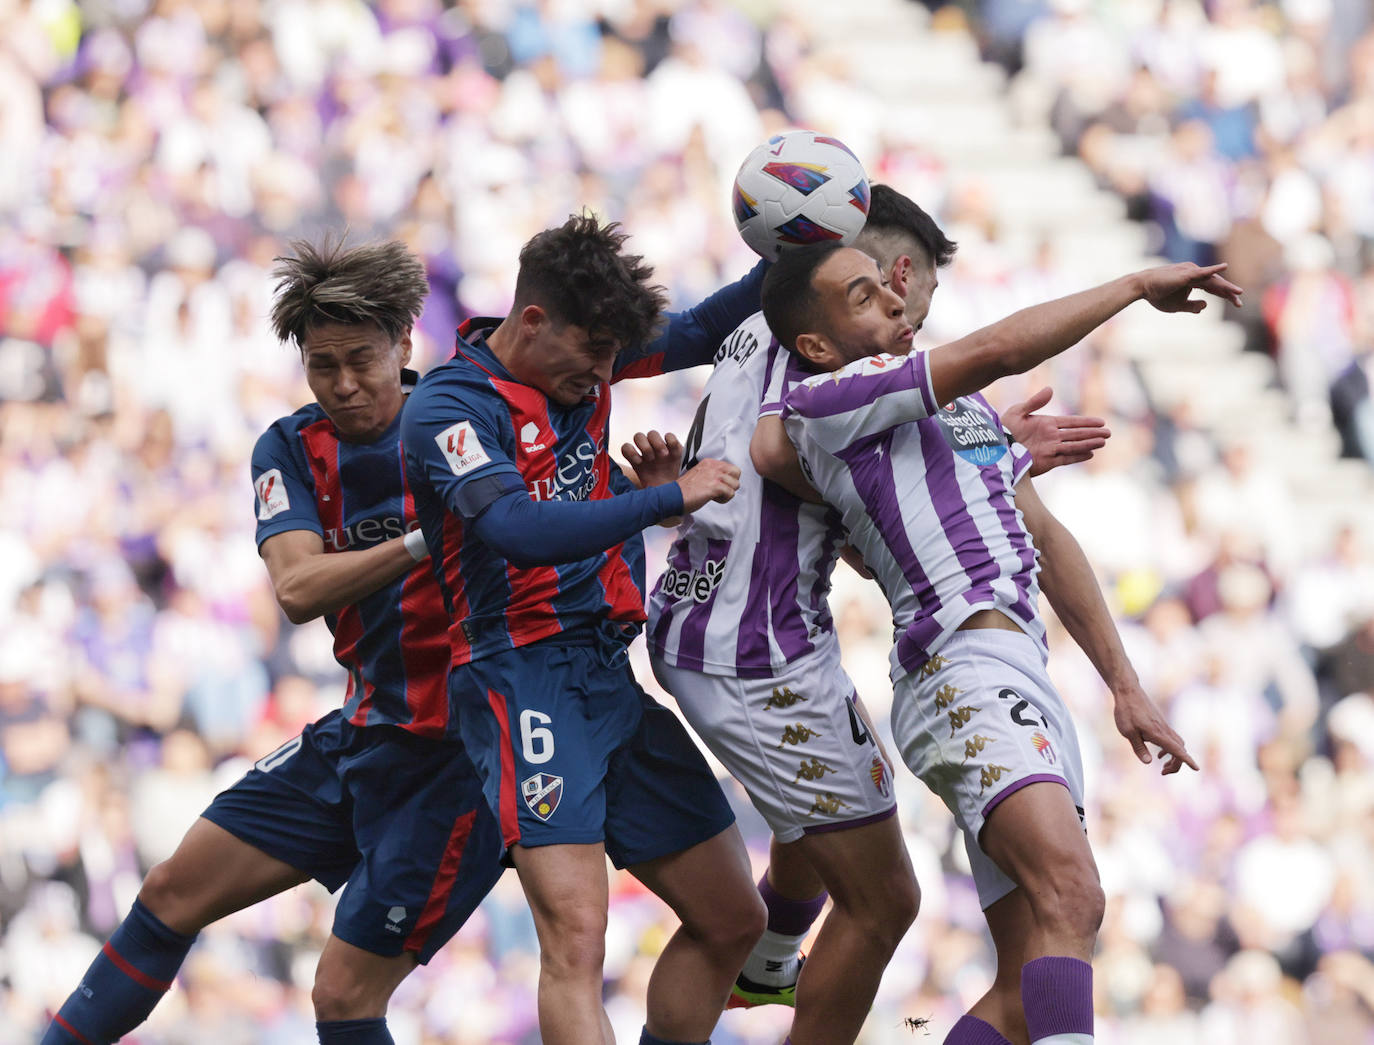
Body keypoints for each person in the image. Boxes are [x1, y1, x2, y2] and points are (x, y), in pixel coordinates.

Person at [44, 230, 766, 1045]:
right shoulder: (291, 446)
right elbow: (296, 587)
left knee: (349, 992)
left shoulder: (471, 412)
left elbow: (547, 513)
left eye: (363, 359)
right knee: (173, 889)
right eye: (324, 366)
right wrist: (425, 533)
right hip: (367, 726)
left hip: (461, 748)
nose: (346, 385)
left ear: (403, 345)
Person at [645, 185, 1113, 1045]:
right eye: (900, 294)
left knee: (851, 812)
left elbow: (793, 486)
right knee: (883, 900)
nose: (907, 313)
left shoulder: (758, 330)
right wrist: (969, 457)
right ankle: (772, 955)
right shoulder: (827, 373)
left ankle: (776, 951)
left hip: (745, 627)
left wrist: (977, 458)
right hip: (753, 646)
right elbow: (794, 464)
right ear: (890, 270)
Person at [752, 241, 1240, 1045]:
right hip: (957, 666)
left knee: (1029, 980)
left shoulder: (963, 411)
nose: (897, 302)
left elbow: (1044, 535)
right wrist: (1130, 282)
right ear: (816, 341)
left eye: (896, 287)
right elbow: (994, 349)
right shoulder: (834, 395)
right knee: (1072, 893)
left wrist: (1124, 682)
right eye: (869, 294)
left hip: (1016, 667)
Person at [401, 213, 767, 1045]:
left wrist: (794, 250)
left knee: (731, 916)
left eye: (615, 357)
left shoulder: (586, 355)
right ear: (532, 321)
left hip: (609, 677)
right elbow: (516, 531)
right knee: (576, 941)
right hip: (520, 673)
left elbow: (711, 327)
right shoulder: (450, 406)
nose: (607, 375)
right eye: (595, 354)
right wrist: (671, 495)